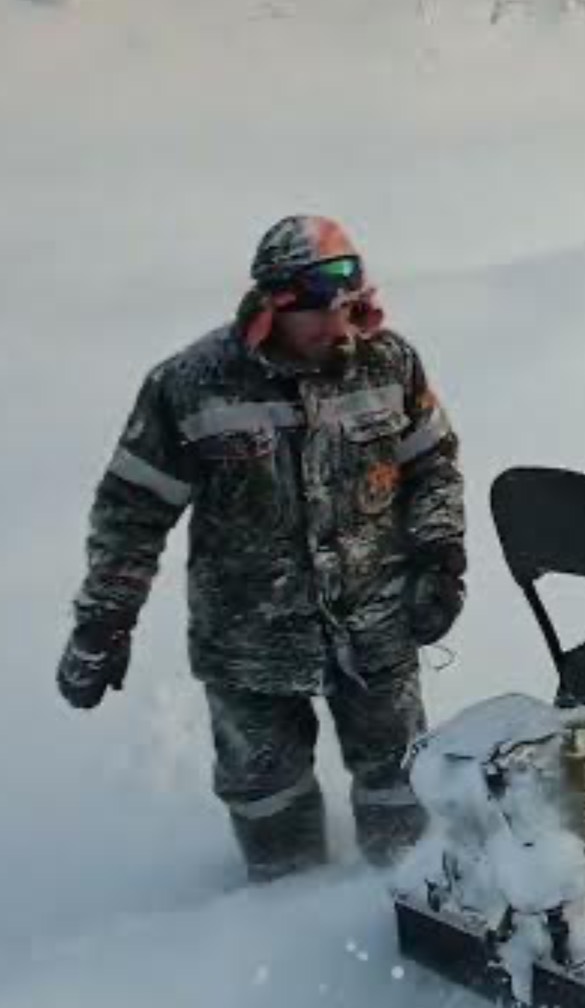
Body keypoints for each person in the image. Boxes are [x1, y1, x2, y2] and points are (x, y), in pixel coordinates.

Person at [55, 215, 467, 881]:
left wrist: (441, 557)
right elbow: (132, 512)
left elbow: (433, 467)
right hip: (248, 636)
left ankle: (402, 901)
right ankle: (280, 913)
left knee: (399, 783)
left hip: (375, 623)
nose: (338, 327)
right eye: (318, 313)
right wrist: (106, 618)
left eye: (349, 307)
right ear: (274, 305)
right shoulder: (191, 384)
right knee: (266, 792)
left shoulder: (389, 362)